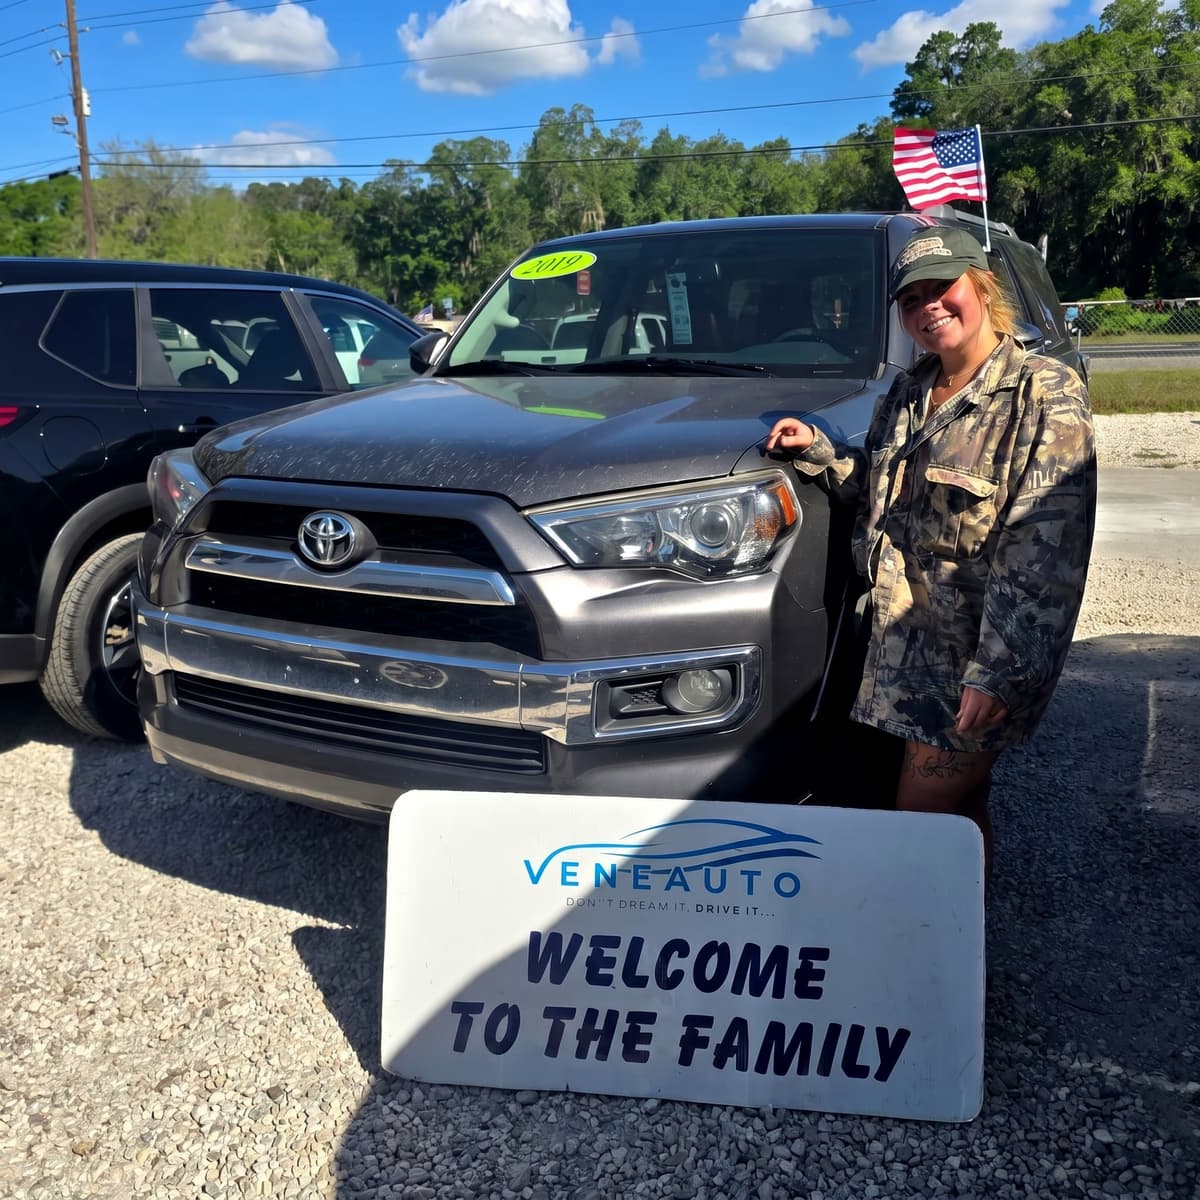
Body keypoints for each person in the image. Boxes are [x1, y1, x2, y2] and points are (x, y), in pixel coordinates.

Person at [764, 226, 1096, 873]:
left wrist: (1002, 670)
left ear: (982, 286)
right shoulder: (909, 392)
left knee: (916, 832)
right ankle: (964, 959)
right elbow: (884, 497)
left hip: (972, 662)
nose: (928, 308)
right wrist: (820, 452)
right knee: (962, 815)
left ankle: (911, 962)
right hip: (900, 654)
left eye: (942, 289)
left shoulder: (1041, 394)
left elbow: (1046, 551)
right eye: (911, 299)